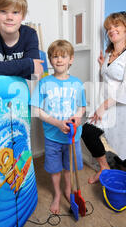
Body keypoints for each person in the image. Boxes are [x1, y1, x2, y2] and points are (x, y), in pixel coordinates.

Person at [81, 11, 126, 184]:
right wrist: (104, 65)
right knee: (88, 131)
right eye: (109, 28)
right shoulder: (109, 55)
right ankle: (105, 168)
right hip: (110, 104)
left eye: (116, 25)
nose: (112, 30)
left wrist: (104, 105)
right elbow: (110, 76)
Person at [30, 40, 86, 214]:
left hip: (72, 137)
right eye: (55, 56)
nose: (59, 60)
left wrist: (76, 118)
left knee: (69, 167)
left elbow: (81, 107)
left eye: (63, 56)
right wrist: (57, 123)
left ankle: (68, 190)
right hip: (52, 137)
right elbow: (36, 109)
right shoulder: (44, 83)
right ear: (50, 60)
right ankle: (57, 194)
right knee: (55, 168)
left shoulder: (77, 83)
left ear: (71, 59)